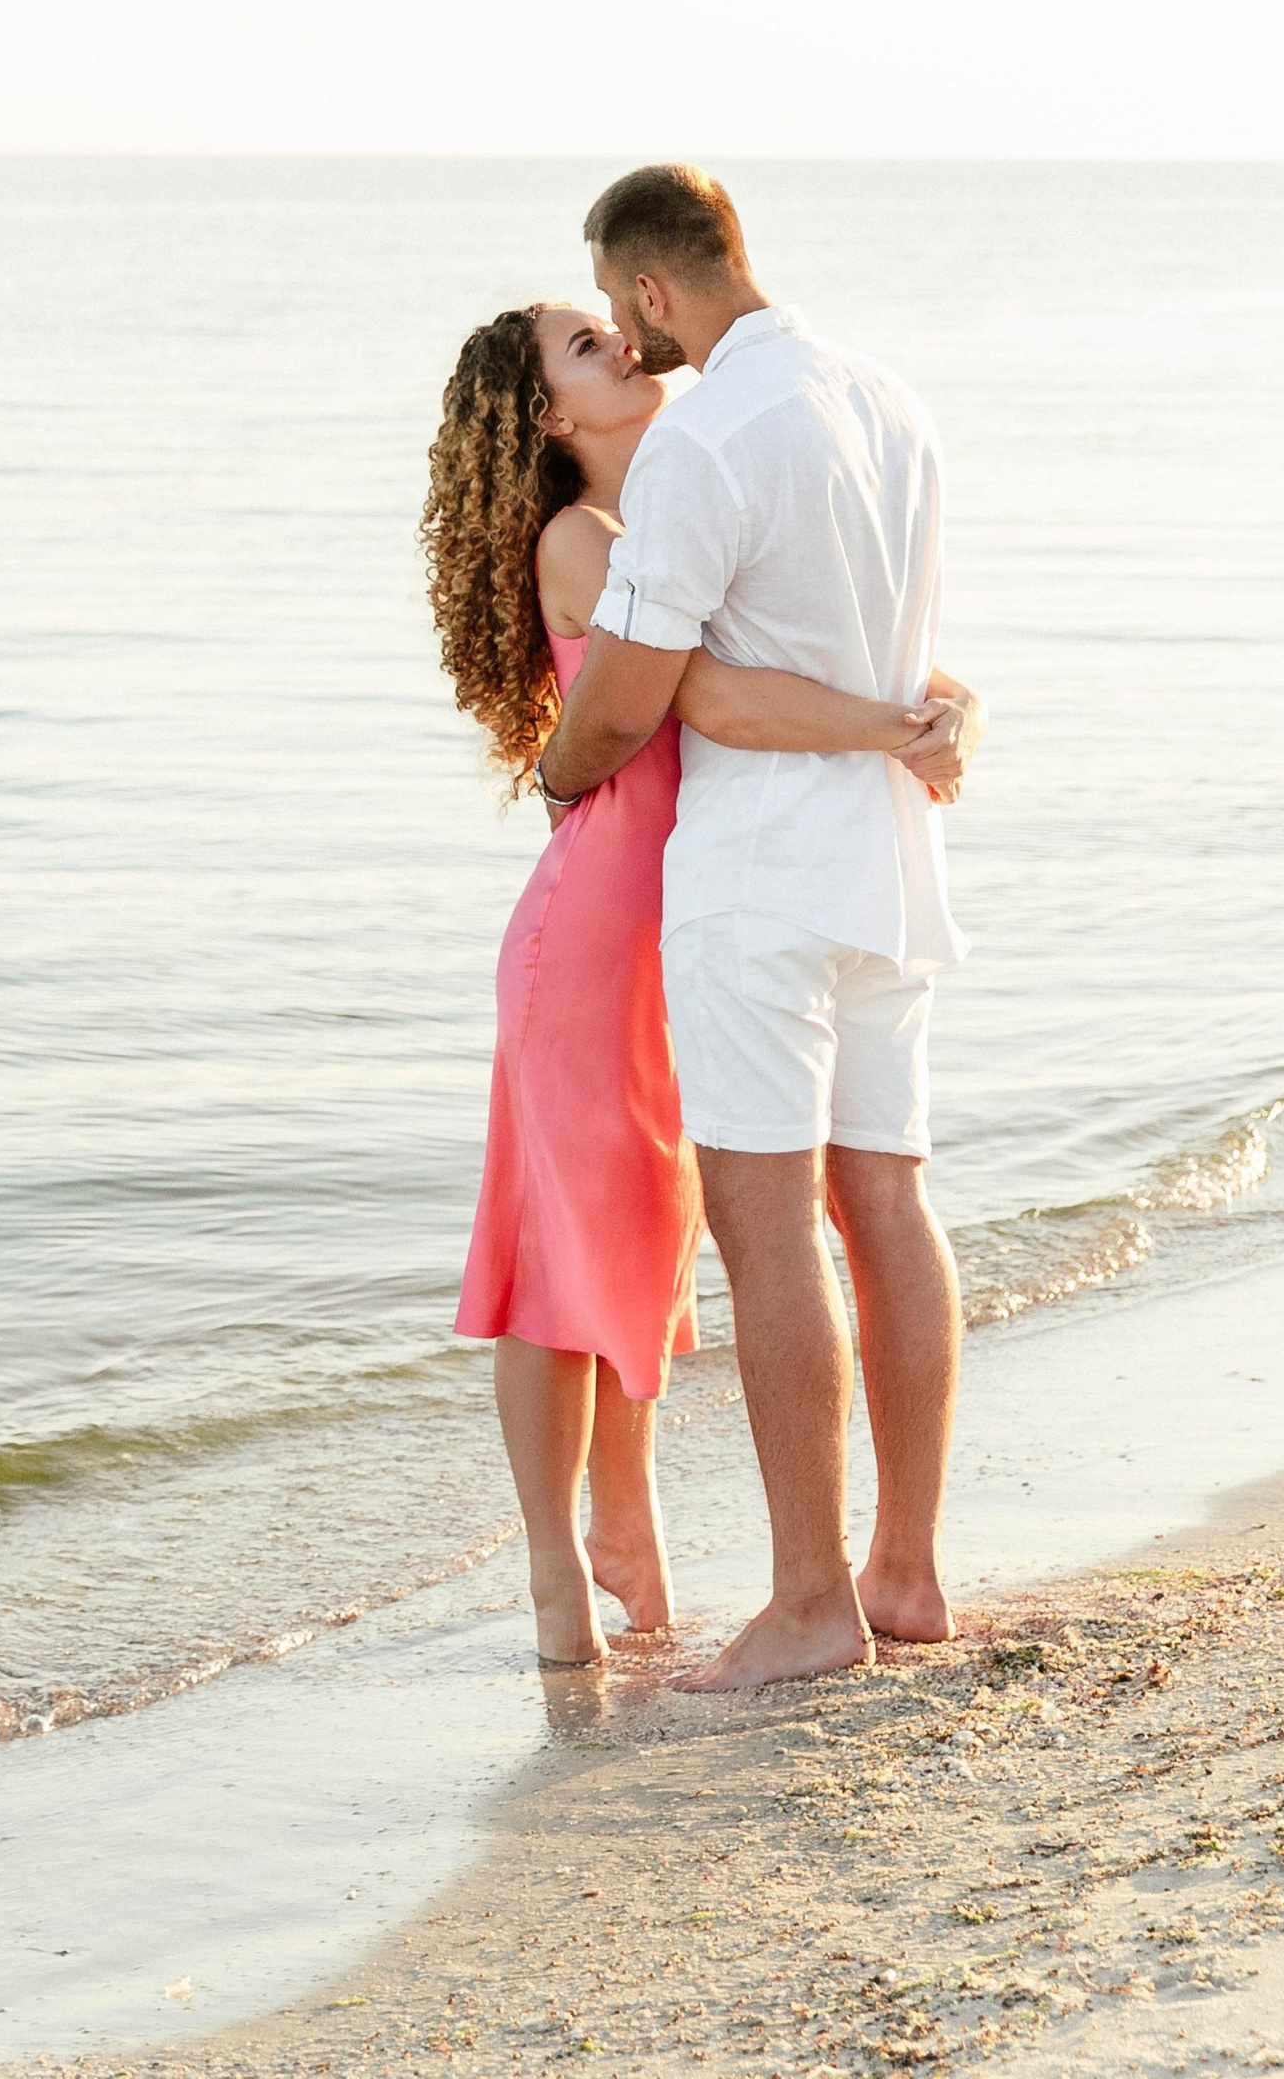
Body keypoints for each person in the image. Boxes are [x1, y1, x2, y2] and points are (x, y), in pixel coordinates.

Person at [421, 298, 978, 1671]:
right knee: (551, 1250)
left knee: (642, 1232)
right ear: (550, 417)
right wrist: (895, 729)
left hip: (676, 924)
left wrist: (942, 704)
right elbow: (719, 699)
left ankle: (631, 1531)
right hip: (588, 935)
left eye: (608, 326)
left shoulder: (669, 521)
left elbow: (808, 657)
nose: (622, 344)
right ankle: (558, 1574)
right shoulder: (583, 540)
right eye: (584, 347)